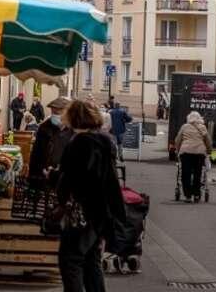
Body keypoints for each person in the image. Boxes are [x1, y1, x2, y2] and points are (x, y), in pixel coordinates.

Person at [56, 100, 126, 292]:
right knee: (91, 259)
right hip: (101, 211)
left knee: (70, 260)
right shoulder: (104, 141)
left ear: (74, 118)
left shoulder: (79, 143)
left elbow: (72, 177)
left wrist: (55, 180)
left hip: (83, 211)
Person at [29, 96, 72, 182]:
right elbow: (36, 153)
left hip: (64, 177)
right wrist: (36, 173)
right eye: (53, 112)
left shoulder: (73, 130)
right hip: (43, 173)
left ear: (67, 113)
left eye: (58, 112)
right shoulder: (44, 127)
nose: (54, 115)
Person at [175, 111, 212, 202]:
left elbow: (178, 140)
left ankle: (188, 196)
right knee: (197, 174)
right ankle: (196, 195)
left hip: (186, 153)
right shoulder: (202, 127)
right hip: (199, 154)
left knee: (185, 174)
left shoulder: (184, 127)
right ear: (199, 119)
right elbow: (208, 141)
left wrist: (178, 150)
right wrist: (209, 151)